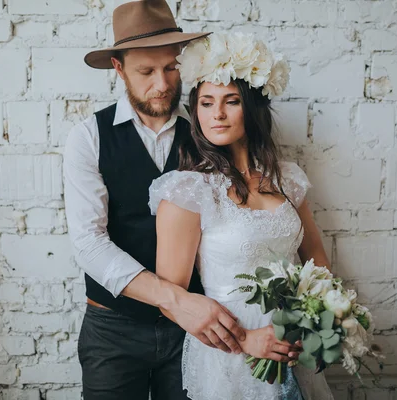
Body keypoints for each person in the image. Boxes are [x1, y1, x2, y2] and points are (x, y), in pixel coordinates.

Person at [64, 2, 300, 399]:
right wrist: (176, 300)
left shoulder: (211, 129)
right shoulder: (89, 137)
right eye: (146, 71)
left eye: (171, 68)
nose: (162, 84)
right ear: (119, 69)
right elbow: (89, 243)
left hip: (197, 332)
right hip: (115, 328)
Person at [148, 32, 335, 399]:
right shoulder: (188, 191)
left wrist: (310, 323)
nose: (216, 113)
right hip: (231, 351)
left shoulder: (289, 180)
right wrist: (245, 341)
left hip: (293, 343)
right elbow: (170, 298)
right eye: (205, 102)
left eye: (230, 101)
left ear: (251, 106)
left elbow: (318, 262)